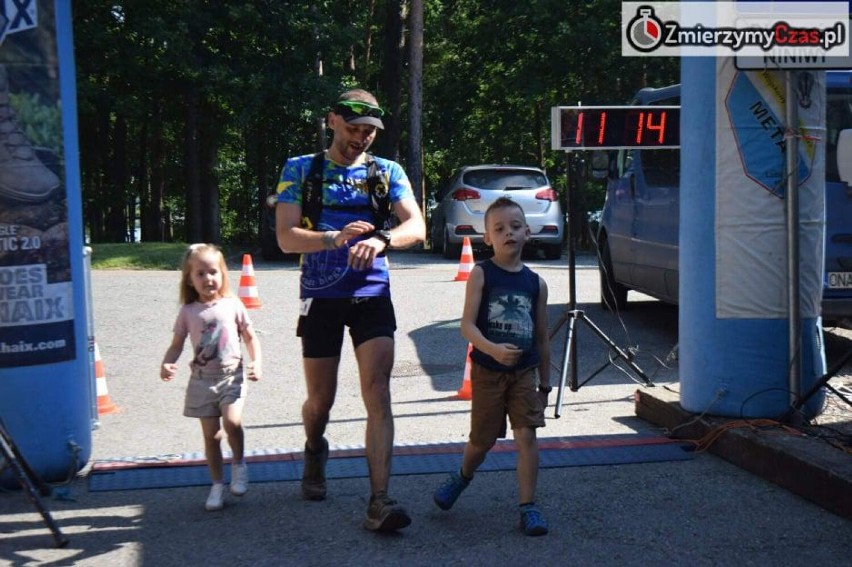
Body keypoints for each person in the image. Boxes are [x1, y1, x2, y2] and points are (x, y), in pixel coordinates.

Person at [275, 89, 426, 532]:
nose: (361, 139)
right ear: (332, 121)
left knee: (378, 391)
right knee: (321, 401)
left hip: (372, 295)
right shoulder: (301, 169)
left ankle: (379, 499)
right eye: (354, 129)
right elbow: (285, 237)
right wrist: (333, 238)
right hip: (321, 296)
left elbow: (415, 225)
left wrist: (382, 240)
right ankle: (314, 445)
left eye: (369, 132)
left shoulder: (387, 171)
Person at [432, 196, 551, 536]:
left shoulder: (536, 283)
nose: (508, 233)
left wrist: (545, 385)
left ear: (528, 232)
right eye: (499, 228)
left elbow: (542, 338)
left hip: (524, 373)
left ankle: (528, 506)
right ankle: (463, 476)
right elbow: (466, 326)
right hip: (487, 371)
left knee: (526, 435)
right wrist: (493, 350)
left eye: (515, 226)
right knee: (481, 442)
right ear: (488, 238)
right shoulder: (481, 275)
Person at [160, 244, 262, 511]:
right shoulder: (188, 311)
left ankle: (238, 464)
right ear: (190, 279)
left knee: (232, 422)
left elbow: (251, 338)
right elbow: (177, 343)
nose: (208, 279)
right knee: (211, 436)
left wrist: (257, 362)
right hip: (202, 380)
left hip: (232, 376)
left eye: (213, 272)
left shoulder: (233, 304)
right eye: (200, 274)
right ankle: (217, 484)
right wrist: (168, 363)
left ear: (223, 274)